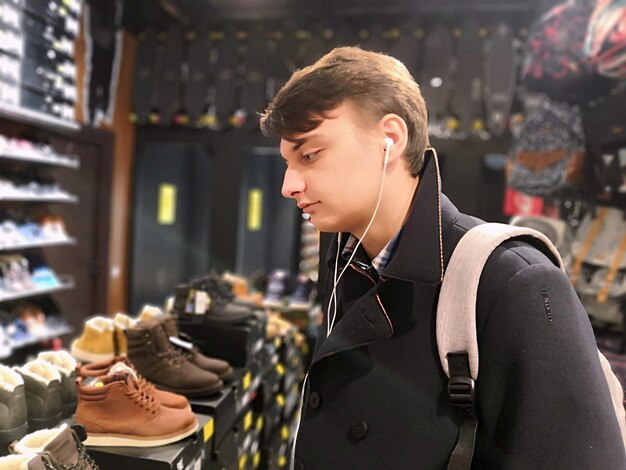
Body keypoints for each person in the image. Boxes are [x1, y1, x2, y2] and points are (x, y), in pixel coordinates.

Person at [260, 46, 625, 469]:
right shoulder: (347, 262)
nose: (288, 185)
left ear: (390, 139)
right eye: (288, 162)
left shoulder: (511, 280)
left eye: (310, 154)